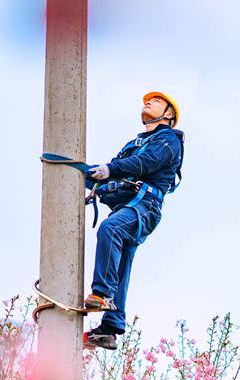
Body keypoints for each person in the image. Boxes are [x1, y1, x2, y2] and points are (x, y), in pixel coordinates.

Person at [83, 91, 184, 350]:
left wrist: (110, 169)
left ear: (169, 114)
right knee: (121, 261)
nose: (148, 102)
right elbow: (117, 170)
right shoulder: (134, 143)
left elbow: (145, 163)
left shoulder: (168, 140)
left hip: (146, 206)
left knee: (111, 229)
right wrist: (92, 181)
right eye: (147, 100)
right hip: (127, 205)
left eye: (157, 101)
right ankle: (110, 328)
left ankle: (102, 294)